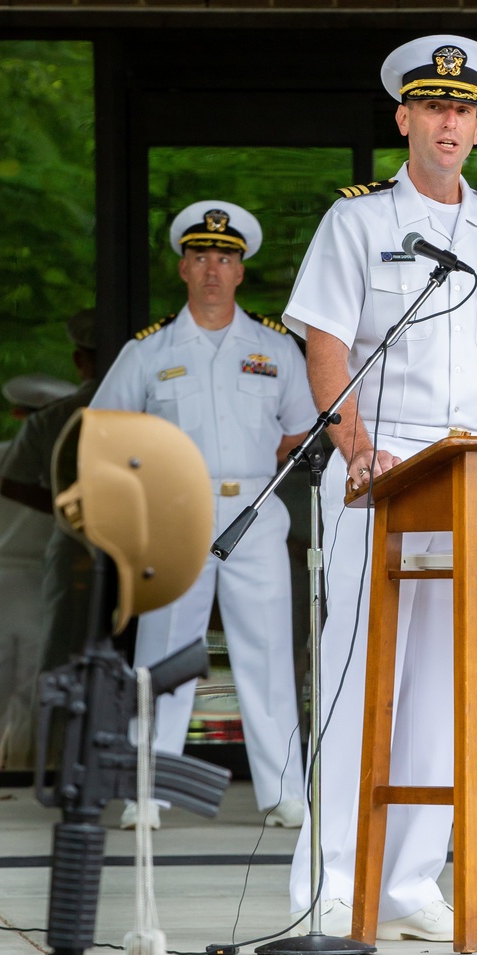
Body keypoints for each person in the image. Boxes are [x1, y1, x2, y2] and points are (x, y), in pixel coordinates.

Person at [283, 35, 477, 942]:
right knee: (357, 671)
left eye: (464, 111)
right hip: (381, 465)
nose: (449, 122)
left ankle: (411, 880)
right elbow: (324, 342)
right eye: (433, 108)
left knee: (449, 684)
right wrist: (355, 441)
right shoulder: (359, 223)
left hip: (472, 467)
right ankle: (329, 882)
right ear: (404, 119)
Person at [91, 202, 315, 828]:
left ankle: (281, 790)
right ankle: (148, 790)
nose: (213, 269)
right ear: (183, 267)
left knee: (268, 649)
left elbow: (300, 431)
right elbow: (107, 433)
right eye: (201, 257)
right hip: (174, 509)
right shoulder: (148, 350)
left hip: (253, 509)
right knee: (165, 646)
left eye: (226, 258)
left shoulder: (275, 348)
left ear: (241, 270)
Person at [0, 373, 75, 769]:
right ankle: (27, 775)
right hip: (45, 585)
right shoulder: (67, 468)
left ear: (18, 414)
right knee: (34, 690)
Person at [0, 309, 100, 670]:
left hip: (75, 547)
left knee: (64, 653)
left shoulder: (52, 417)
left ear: (78, 360)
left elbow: (13, 483)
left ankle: (61, 726)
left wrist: (69, 508)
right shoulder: (152, 411)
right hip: (146, 547)